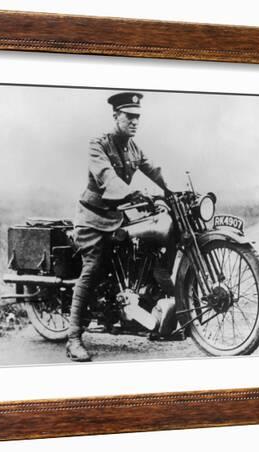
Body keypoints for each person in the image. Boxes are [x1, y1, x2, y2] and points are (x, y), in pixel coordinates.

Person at [66, 91, 173, 362]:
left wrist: (171, 191)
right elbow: (107, 178)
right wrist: (132, 193)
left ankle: (148, 314)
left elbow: (154, 169)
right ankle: (73, 338)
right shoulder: (98, 145)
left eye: (138, 117)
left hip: (116, 216)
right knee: (92, 269)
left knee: (145, 249)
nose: (134, 122)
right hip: (92, 219)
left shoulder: (133, 147)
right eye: (129, 116)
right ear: (116, 116)